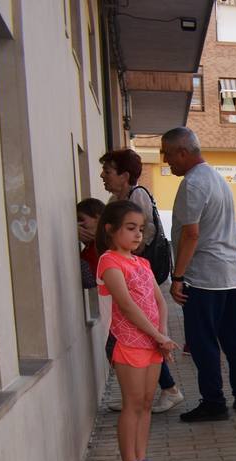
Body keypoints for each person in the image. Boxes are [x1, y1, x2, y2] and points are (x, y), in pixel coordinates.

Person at [160, 127, 236, 422]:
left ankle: (214, 402)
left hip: (204, 277)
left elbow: (191, 234)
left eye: (168, 153)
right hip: (227, 274)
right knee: (234, 339)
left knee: (203, 342)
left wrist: (178, 276)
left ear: (183, 152)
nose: (165, 160)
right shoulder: (216, 178)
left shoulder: (193, 183)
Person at [94, 200, 179, 461]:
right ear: (110, 229)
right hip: (128, 343)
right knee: (132, 403)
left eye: (141, 229)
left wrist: (162, 334)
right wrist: (158, 336)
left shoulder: (141, 262)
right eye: (130, 228)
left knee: (145, 402)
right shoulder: (109, 261)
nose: (137, 235)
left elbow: (159, 301)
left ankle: (141, 458)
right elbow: (127, 306)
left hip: (152, 344)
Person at [97, 148, 185, 414]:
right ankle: (143, 396)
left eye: (108, 171)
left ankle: (158, 393)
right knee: (139, 340)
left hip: (139, 280)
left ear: (124, 175)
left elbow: (144, 236)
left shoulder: (136, 198)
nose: (103, 175)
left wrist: (131, 262)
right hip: (134, 279)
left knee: (135, 340)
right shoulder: (117, 199)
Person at [77, 198, 106, 290]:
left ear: (97, 219)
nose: (79, 224)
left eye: (81, 219)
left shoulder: (106, 239)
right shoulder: (93, 243)